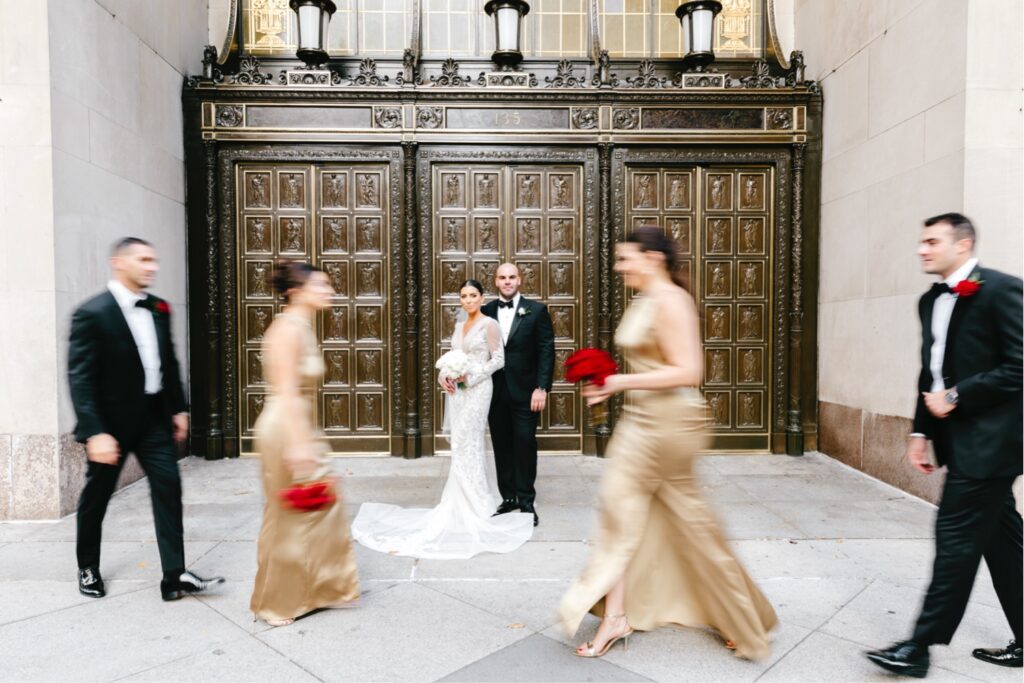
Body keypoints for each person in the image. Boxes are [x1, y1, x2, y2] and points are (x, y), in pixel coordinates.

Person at [558, 227, 777, 660]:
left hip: (670, 423)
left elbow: (688, 371)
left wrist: (618, 380)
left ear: (653, 258)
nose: (619, 267)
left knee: (652, 516)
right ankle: (629, 616)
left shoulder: (674, 301)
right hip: (641, 419)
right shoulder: (644, 300)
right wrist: (611, 383)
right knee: (648, 518)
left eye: (625, 259)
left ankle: (726, 619)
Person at [866, 213, 1022, 677]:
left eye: (932, 241)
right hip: (960, 443)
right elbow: (930, 373)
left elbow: (1020, 365)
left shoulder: (1000, 290)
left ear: (963, 244)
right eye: (922, 241)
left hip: (993, 445)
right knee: (1004, 542)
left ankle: (918, 647)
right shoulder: (929, 301)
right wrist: (920, 433)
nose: (922, 249)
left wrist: (956, 397)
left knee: (955, 542)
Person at [68, 237, 224, 601]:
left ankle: (174, 576)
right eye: (143, 260)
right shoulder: (92, 313)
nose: (151, 266)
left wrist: (179, 407)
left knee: (169, 489)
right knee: (97, 497)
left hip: (154, 419)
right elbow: (80, 377)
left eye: (153, 260)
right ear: (118, 263)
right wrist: (95, 432)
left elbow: (168, 361)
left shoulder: (158, 307)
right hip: (111, 426)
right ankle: (87, 567)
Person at [351, 280, 534, 558]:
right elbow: (454, 355)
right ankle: (459, 500)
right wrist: (444, 374)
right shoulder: (459, 327)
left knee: (467, 439)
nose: (468, 300)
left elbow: (498, 360)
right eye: (464, 296)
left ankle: (476, 502)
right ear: (460, 300)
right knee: (459, 444)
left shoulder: (490, 325)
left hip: (478, 388)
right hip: (458, 391)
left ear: (482, 298)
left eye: (473, 295)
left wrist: (471, 376)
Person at [250, 261, 360, 626]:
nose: (329, 292)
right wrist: (299, 444)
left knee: (316, 509)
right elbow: (286, 392)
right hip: (285, 427)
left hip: (299, 424)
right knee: (291, 514)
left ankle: (314, 590)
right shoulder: (286, 330)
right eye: (322, 285)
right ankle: (277, 604)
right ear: (297, 291)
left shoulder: (302, 326)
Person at [481, 263, 555, 526]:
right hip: (494, 391)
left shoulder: (536, 310)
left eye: (512, 277)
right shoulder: (485, 311)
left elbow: (547, 350)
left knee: (524, 443)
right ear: (496, 281)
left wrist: (542, 387)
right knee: (502, 445)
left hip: (526, 391)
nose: (507, 281)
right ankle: (508, 497)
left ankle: (526, 500)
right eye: (502, 277)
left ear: (519, 280)